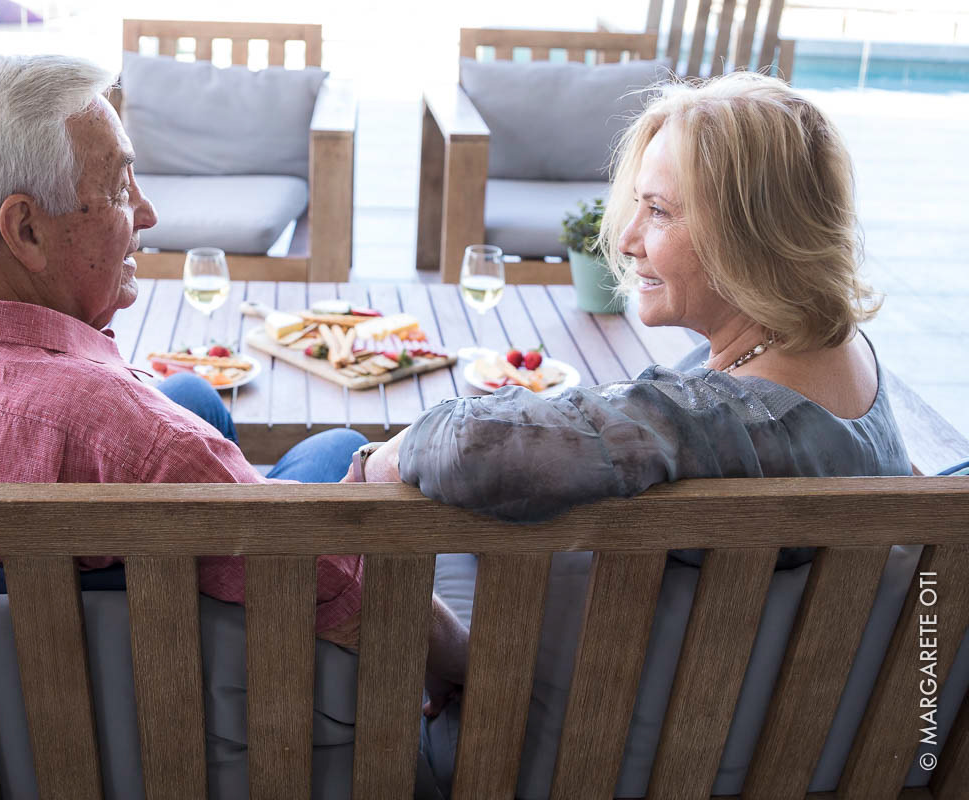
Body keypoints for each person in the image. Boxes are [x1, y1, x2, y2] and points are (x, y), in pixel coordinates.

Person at [0, 55, 469, 673]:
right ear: (25, 229)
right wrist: (464, 664)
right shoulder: (137, 446)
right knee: (341, 447)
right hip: (152, 707)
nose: (147, 211)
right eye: (118, 187)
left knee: (190, 393)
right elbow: (354, 597)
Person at [340, 72, 911, 795]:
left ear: (754, 235)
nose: (628, 237)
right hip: (725, 732)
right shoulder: (844, 356)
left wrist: (384, 457)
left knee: (339, 457)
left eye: (659, 211)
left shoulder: (720, 422)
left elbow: (474, 448)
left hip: (526, 756)